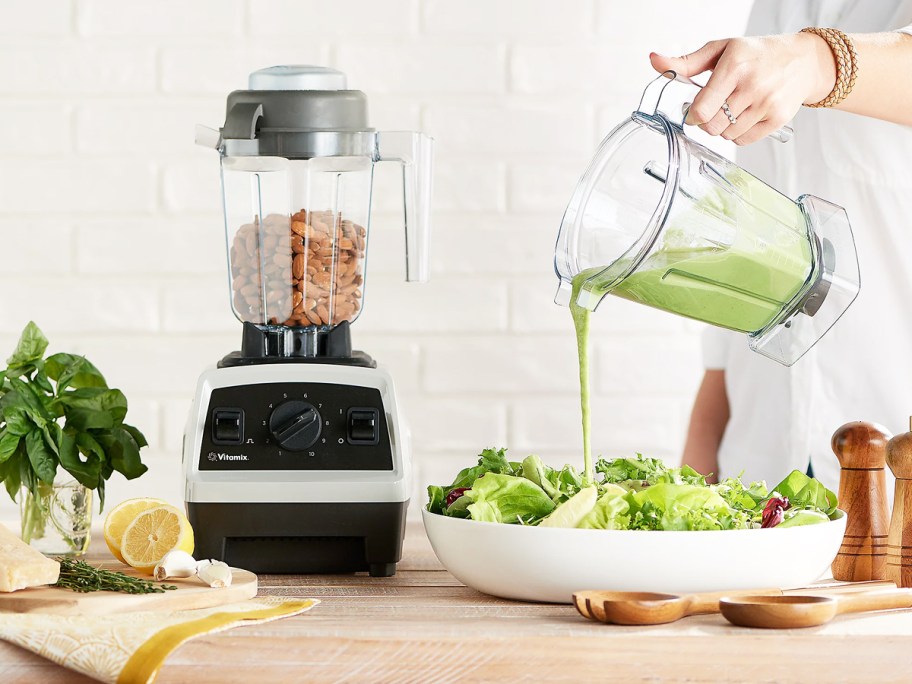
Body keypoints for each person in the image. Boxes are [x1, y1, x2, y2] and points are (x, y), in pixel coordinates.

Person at [649, 1, 912, 490]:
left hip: (895, 483)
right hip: (758, 475)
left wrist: (815, 60)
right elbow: (745, 285)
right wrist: (691, 481)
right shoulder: (773, 10)